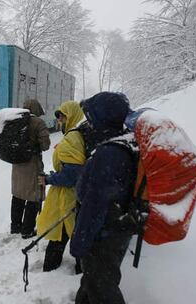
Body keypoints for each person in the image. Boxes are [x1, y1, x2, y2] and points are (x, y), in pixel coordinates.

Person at [70, 92, 135, 304]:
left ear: (102, 117)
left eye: (91, 117)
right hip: (119, 227)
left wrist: (79, 242)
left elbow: (94, 204)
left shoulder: (109, 154)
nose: (88, 123)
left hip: (103, 234)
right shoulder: (127, 143)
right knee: (94, 282)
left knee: (103, 289)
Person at [36, 101, 85, 272]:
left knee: (67, 232)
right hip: (73, 196)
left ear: (72, 115)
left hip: (70, 197)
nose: (60, 121)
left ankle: (57, 268)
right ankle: (77, 267)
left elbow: (72, 175)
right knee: (70, 233)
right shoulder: (76, 134)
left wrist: (50, 179)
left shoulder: (73, 138)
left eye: (63, 116)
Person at [10, 99, 51, 239]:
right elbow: (45, 145)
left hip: (17, 163)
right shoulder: (38, 122)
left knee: (18, 195)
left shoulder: (15, 119)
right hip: (32, 164)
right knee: (33, 197)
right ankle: (27, 230)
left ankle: (15, 227)